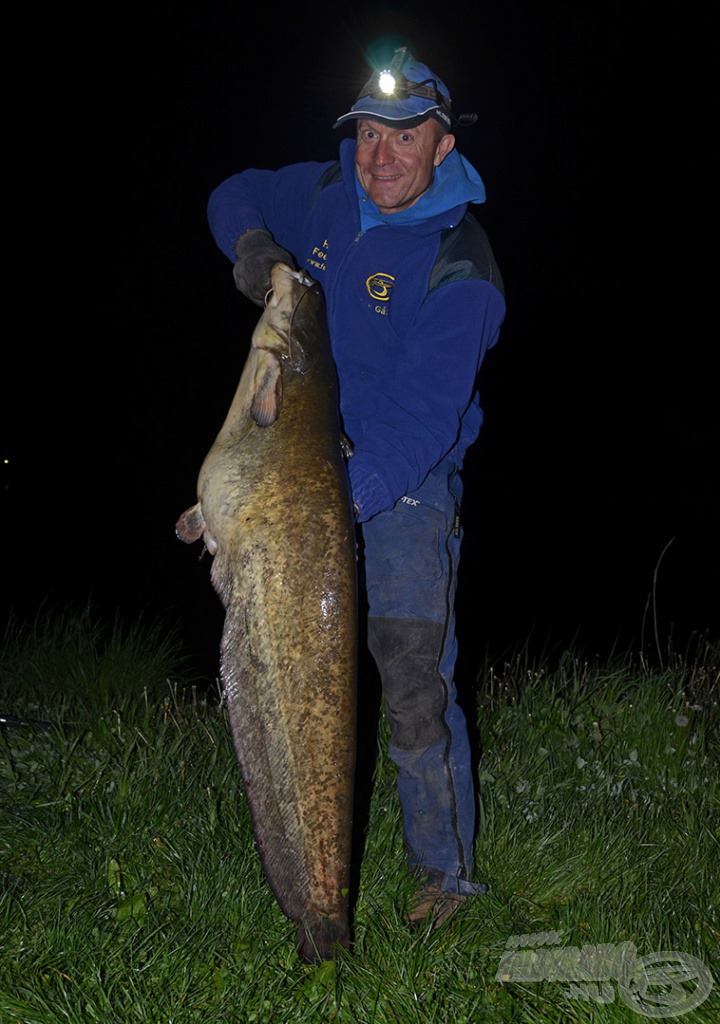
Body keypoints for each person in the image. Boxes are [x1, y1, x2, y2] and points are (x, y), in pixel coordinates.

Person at [207, 46, 505, 928]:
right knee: (279, 669)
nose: (378, 158)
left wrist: (335, 499)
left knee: (414, 678)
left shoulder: (464, 265)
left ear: (443, 146)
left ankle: (444, 878)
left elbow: (427, 416)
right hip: (306, 469)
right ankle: (298, 845)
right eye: (368, 135)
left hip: (405, 481)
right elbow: (235, 193)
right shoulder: (332, 195)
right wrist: (259, 251)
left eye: (402, 138)